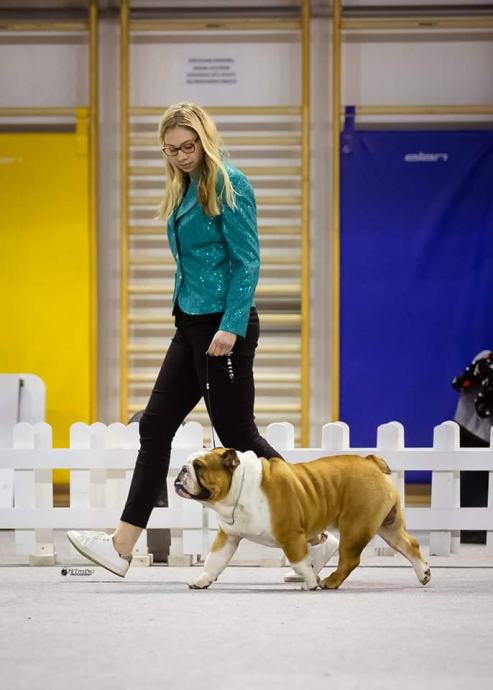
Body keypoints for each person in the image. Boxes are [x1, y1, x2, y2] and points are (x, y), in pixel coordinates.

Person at [66, 102, 338, 581]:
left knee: (239, 437)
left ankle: (314, 535)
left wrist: (230, 326)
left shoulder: (231, 184)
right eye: (170, 150)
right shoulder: (183, 186)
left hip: (222, 327)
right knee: (154, 428)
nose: (180, 156)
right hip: (190, 323)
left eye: (187, 146)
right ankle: (120, 547)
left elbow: (247, 261)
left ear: (205, 140)